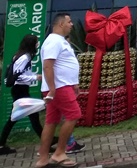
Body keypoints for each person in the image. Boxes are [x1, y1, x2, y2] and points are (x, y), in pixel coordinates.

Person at [35, 13, 81, 168]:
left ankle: (43, 158)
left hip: (62, 86)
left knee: (51, 121)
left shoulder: (60, 41)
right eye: (69, 21)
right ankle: (59, 153)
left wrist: (74, 83)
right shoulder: (54, 41)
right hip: (59, 87)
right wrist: (53, 90)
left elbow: (63, 65)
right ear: (61, 24)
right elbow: (48, 66)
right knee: (74, 115)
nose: (72, 24)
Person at [0, 35, 43, 155]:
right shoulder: (24, 57)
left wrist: (33, 75)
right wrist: (35, 77)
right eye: (36, 43)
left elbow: (23, 72)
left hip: (22, 90)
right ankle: (47, 143)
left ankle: (1, 144)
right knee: (20, 118)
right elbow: (18, 75)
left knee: (28, 117)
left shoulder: (24, 56)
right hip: (20, 91)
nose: (37, 45)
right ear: (31, 44)